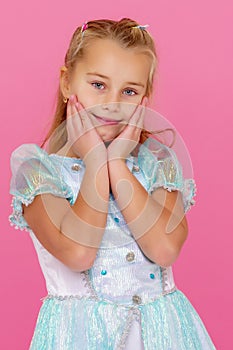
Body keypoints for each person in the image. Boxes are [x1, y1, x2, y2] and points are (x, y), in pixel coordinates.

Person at [9, 18, 216, 349]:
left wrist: (117, 163)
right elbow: (78, 252)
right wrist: (95, 161)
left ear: (145, 98)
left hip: (165, 336)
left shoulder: (157, 163)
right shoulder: (37, 169)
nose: (112, 103)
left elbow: (164, 249)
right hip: (79, 337)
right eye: (98, 85)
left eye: (130, 91)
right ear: (66, 84)